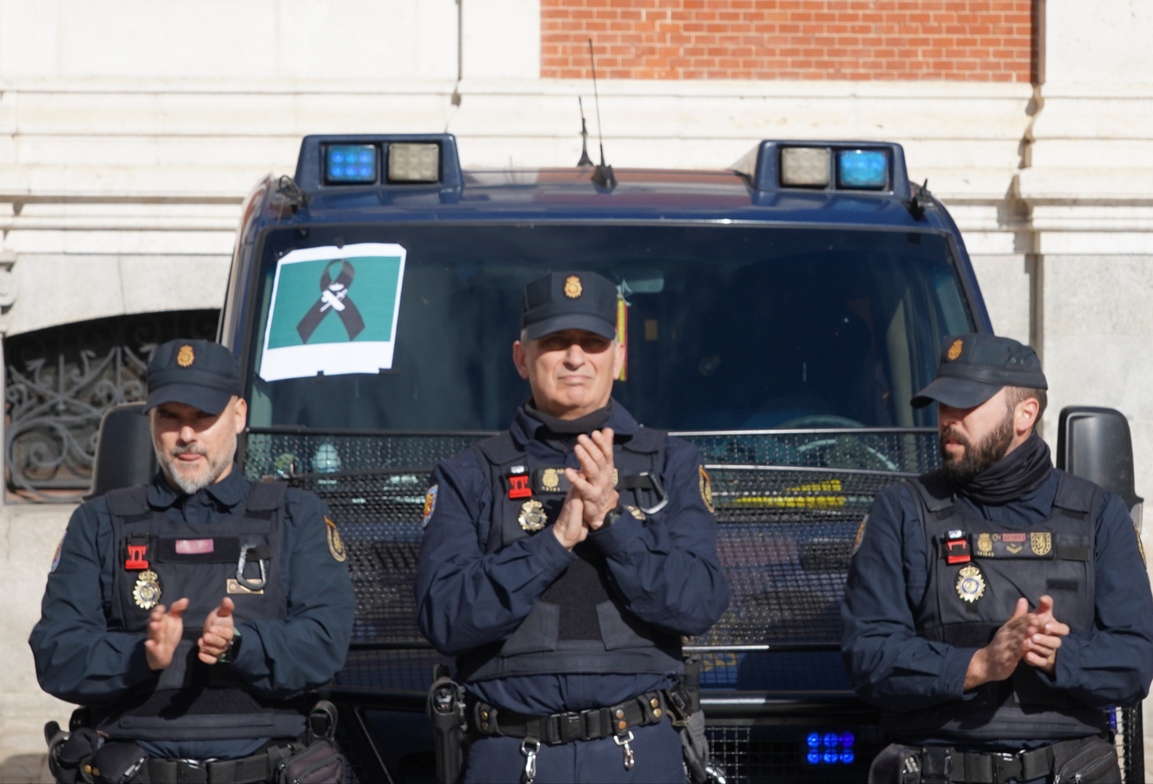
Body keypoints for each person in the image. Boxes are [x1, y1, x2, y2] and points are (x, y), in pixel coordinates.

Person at [415, 271, 730, 783]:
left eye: (592, 342)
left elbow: (699, 604)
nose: (575, 357)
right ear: (521, 357)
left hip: (638, 756)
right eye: (556, 342)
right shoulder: (469, 474)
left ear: (618, 357)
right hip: (511, 757)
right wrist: (555, 542)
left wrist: (611, 522)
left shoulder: (671, 463)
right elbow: (443, 617)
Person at [29, 339, 355, 784]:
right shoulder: (100, 522)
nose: (186, 435)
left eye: (203, 417)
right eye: (170, 417)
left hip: (265, 770)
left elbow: (325, 644)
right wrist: (140, 655)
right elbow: (55, 654)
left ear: (238, 415)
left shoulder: (295, 516)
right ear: (150, 420)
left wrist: (242, 645)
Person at [841, 333, 1153, 784]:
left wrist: (1055, 654)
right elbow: (870, 655)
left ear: (1024, 414)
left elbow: (1137, 656)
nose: (948, 420)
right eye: (942, 405)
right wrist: (978, 666)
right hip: (935, 768)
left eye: (965, 405)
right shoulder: (901, 512)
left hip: (1067, 770)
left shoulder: (1098, 515)